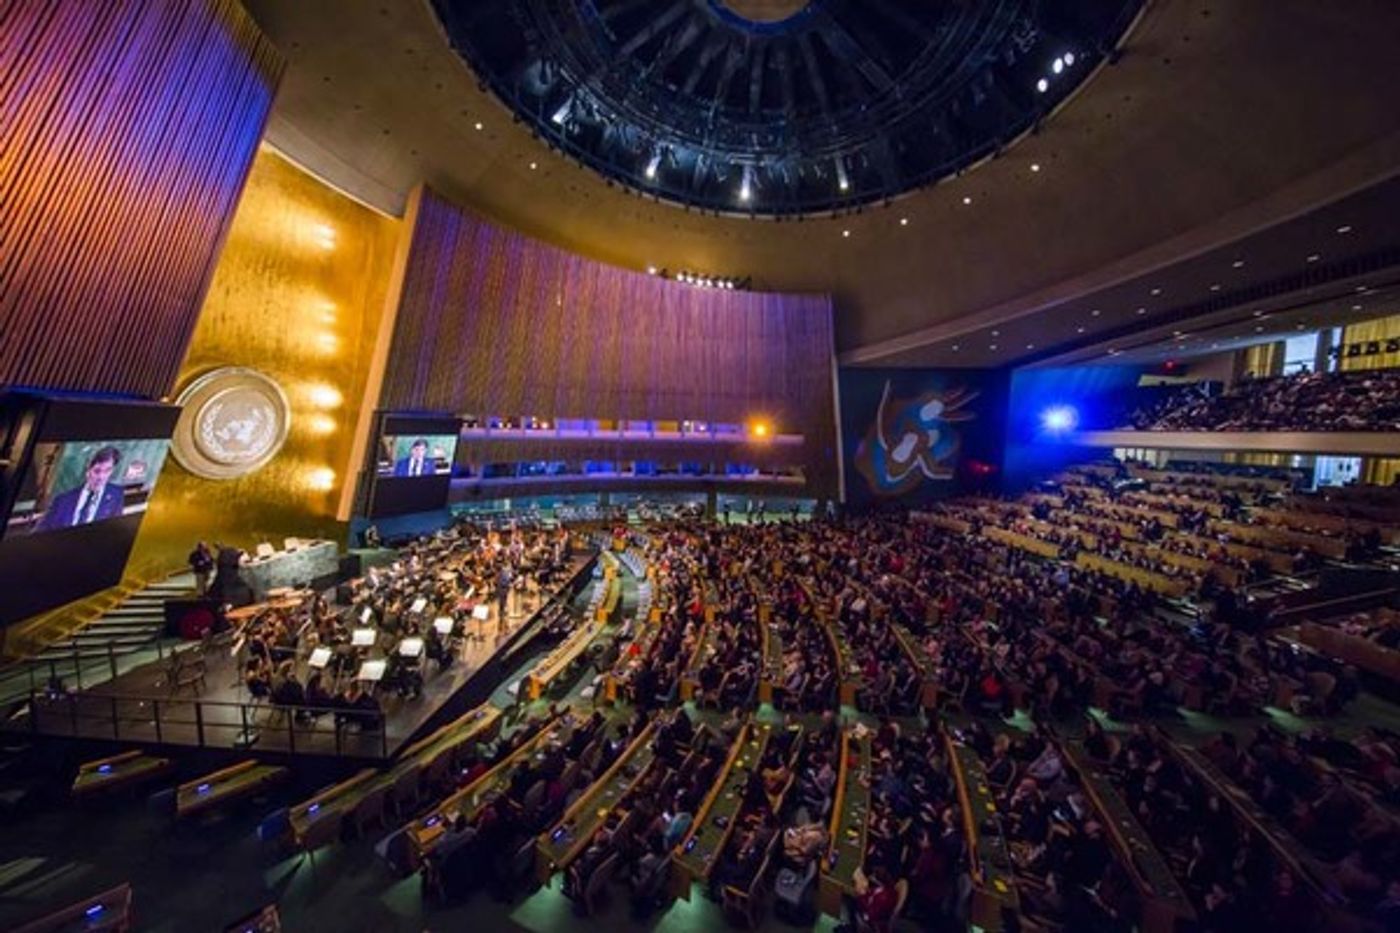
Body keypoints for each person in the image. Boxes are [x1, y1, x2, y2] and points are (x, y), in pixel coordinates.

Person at [36, 446, 125, 531]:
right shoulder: (62, 500)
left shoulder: (116, 495)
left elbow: (114, 529)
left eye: (107, 470)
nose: (101, 477)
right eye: (97, 471)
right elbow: (41, 532)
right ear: (87, 471)